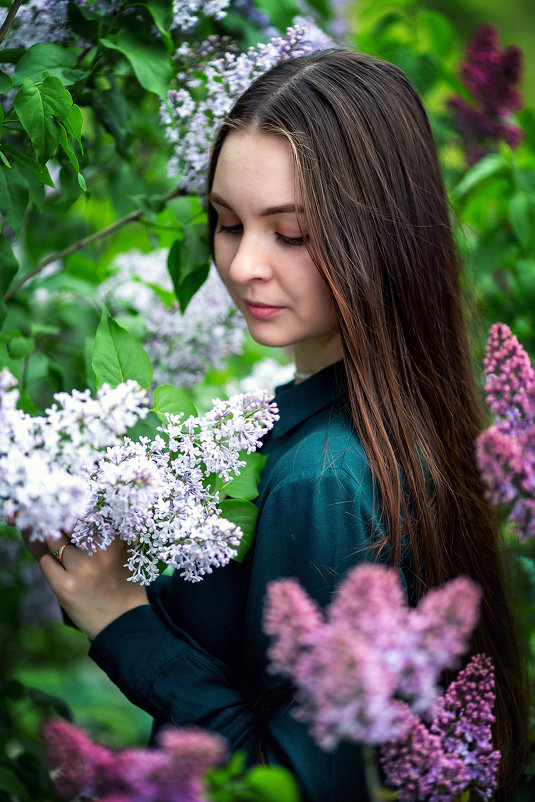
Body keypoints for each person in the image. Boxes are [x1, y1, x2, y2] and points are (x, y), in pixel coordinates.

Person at [28, 49, 528, 801]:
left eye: (290, 234)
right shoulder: (389, 413)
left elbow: (287, 784)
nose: (242, 265)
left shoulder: (320, 479)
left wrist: (122, 622)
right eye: (226, 223)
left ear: (384, 234)